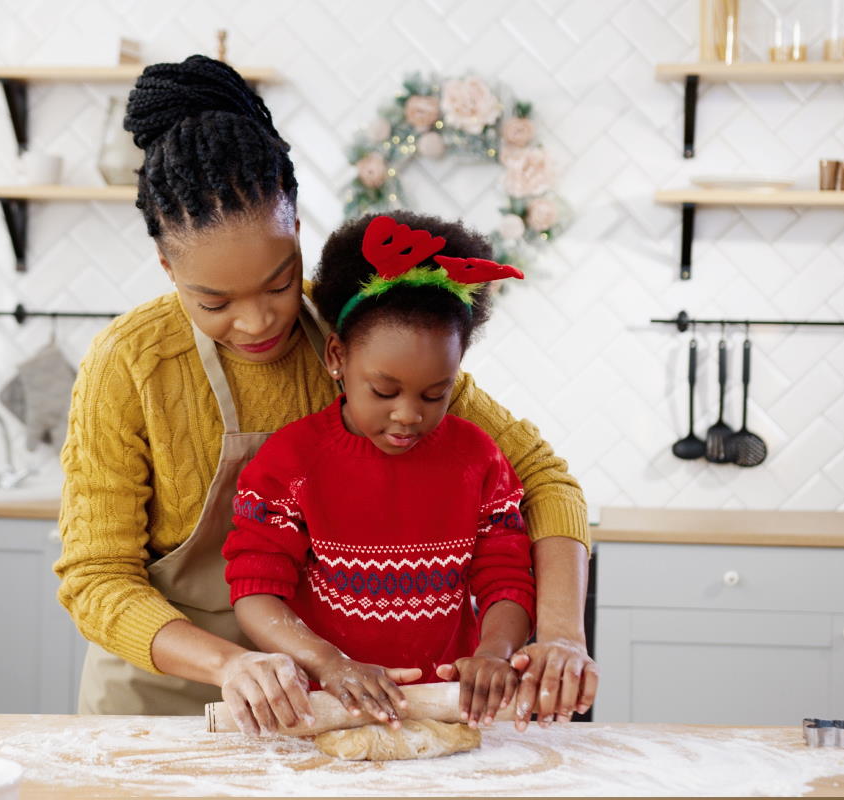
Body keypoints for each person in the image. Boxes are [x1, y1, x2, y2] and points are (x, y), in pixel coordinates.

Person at [53, 54, 596, 735]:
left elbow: (545, 479)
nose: (258, 322)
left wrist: (561, 637)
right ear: (168, 267)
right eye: (213, 301)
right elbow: (96, 577)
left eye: (280, 283)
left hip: (324, 699)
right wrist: (232, 665)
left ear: (298, 230)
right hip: (160, 697)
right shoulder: (128, 364)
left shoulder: (357, 338)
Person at [224, 212, 536, 730]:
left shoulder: (478, 458)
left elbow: (506, 578)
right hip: (324, 712)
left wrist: (496, 651)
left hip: (448, 711)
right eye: (384, 392)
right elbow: (256, 591)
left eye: (436, 393)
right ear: (336, 357)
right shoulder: (290, 463)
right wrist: (329, 663)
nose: (409, 414)